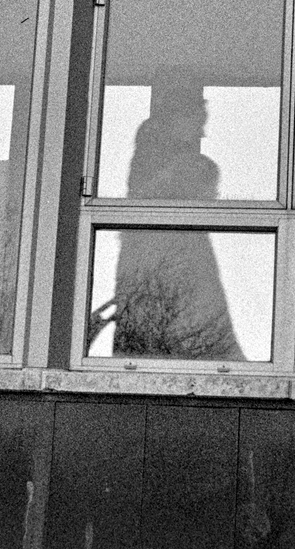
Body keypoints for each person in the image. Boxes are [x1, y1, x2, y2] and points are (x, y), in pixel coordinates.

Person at [92, 78, 244, 361]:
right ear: (177, 119)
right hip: (162, 264)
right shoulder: (165, 159)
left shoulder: (162, 160)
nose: (202, 132)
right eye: (197, 122)